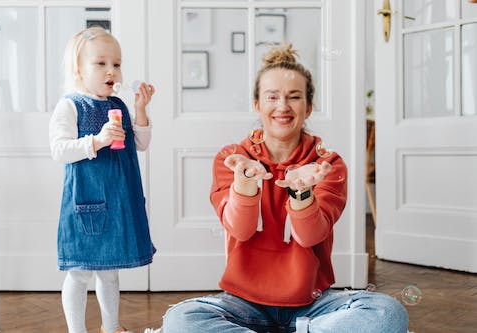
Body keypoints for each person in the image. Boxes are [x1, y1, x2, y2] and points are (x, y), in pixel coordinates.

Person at [161, 44, 408, 333]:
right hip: (243, 302)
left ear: (308, 106)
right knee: (181, 320)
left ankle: (300, 328)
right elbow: (241, 230)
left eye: (294, 97)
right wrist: (244, 181)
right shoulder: (232, 158)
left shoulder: (327, 164)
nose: (282, 106)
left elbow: (310, 234)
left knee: (388, 314)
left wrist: (301, 190)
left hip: (312, 303)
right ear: (257, 104)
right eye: (272, 97)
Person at [49, 26, 156, 333]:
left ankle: (112, 327)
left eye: (117, 64)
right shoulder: (70, 105)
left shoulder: (119, 105)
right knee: (80, 272)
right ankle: (77, 330)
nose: (112, 71)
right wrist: (96, 141)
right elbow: (59, 150)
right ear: (78, 69)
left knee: (110, 272)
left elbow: (141, 144)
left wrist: (140, 110)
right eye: (101, 63)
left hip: (117, 202)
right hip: (87, 203)